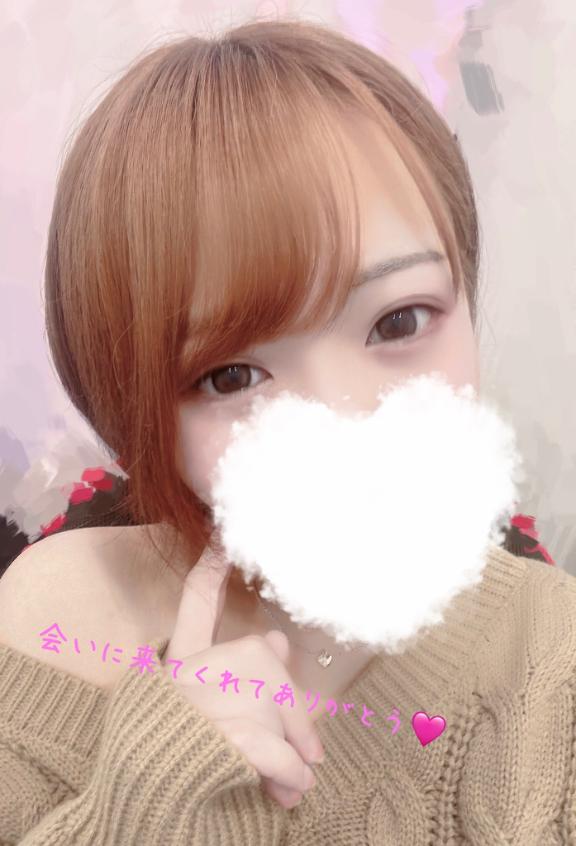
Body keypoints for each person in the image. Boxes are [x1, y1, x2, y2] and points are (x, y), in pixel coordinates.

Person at [0, 17, 574, 845]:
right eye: (231, 376)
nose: (347, 421)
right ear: (134, 411)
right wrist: (145, 808)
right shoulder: (47, 628)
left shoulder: (553, 660)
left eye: (400, 320)